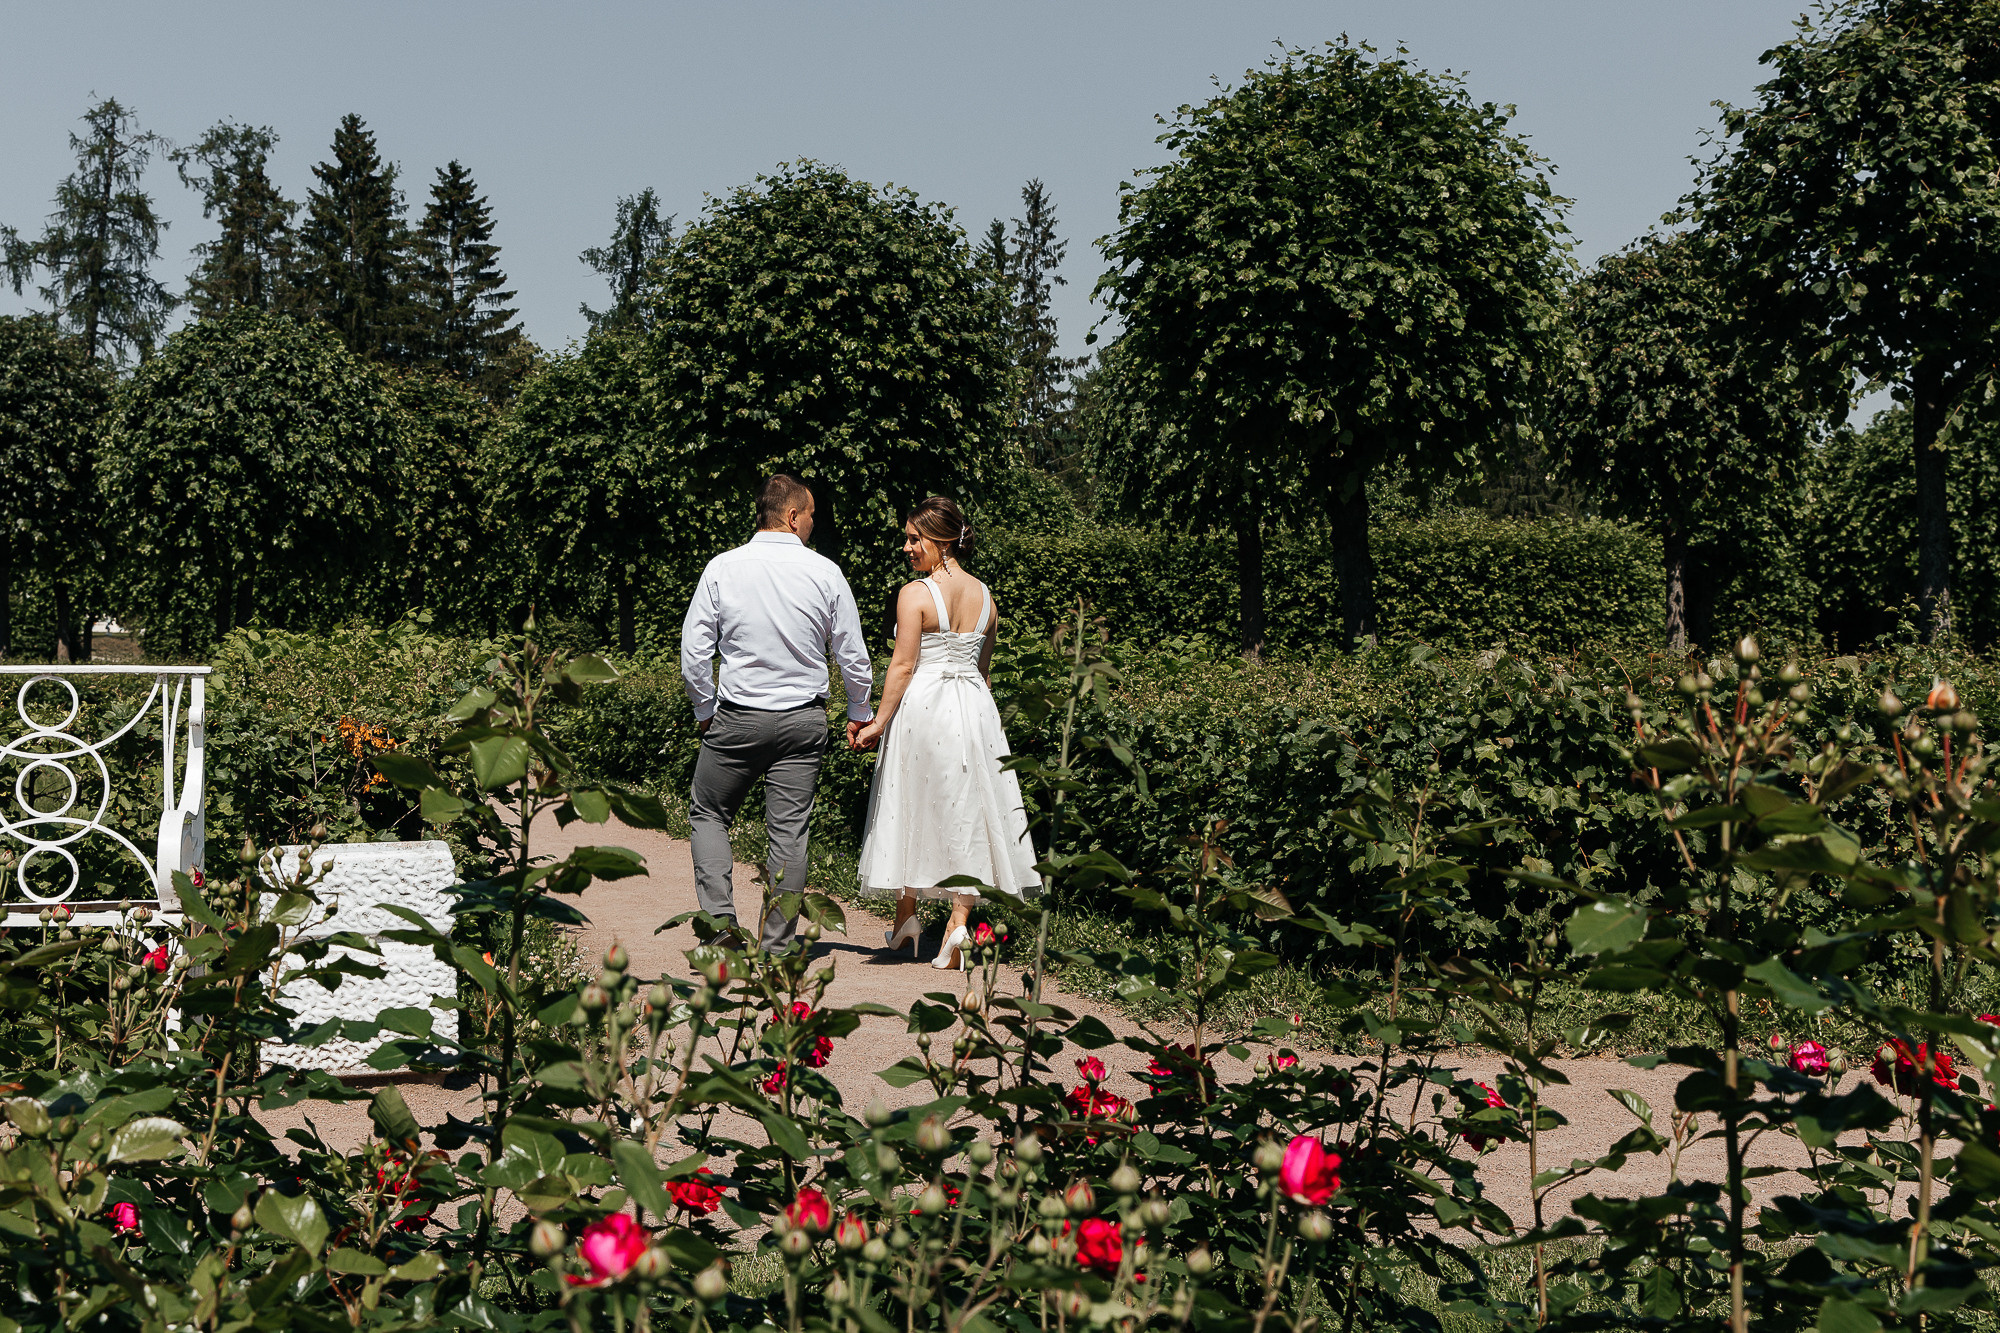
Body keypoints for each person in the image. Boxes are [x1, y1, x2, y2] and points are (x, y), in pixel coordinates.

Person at [681, 475, 876, 951]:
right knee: (789, 832)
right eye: (810, 516)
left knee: (708, 812)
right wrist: (859, 708)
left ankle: (721, 930)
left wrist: (705, 708)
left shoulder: (722, 568)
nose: (813, 525)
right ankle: (776, 948)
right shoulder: (826, 573)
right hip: (802, 722)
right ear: (792, 516)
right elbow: (851, 652)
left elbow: (694, 650)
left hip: (738, 718)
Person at [851, 496, 1038, 968]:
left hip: (925, 708)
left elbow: (904, 665)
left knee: (911, 802)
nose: (907, 547)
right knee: (967, 810)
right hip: (974, 707)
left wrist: (878, 723)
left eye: (915, 539)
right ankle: (955, 924)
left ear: (943, 541)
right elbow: (984, 670)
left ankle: (909, 916)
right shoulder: (987, 598)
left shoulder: (915, 594)